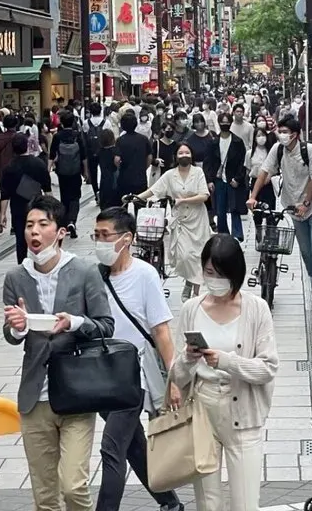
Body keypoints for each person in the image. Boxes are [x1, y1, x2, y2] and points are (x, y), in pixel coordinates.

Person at [2, 195, 114, 511]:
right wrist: (20, 327)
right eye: (28, 225)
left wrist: (73, 322)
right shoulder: (15, 277)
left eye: (43, 224)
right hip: (35, 396)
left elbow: (105, 325)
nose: (34, 232)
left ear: (60, 231)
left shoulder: (84, 272)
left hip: (76, 392)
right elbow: (11, 335)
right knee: (45, 495)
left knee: (74, 487)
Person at [171, 235, 278, 511]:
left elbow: (267, 368)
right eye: (208, 272)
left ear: (235, 273)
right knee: (208, 503)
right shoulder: (191, 309)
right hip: (202, 411)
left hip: (243, 413)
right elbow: (176, 375)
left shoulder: (256, 309)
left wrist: (227, 362)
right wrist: (187, 359)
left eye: (221, 274)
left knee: (245, 503)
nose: (214, 279)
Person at [92, 206, 183, 511]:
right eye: (96, 236)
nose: (99, 242)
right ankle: (170, 503)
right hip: (102, 377)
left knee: (112, 447)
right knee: (133, 445)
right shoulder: (94, 276)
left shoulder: (144, 274)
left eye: (105, 235)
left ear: (127, 238)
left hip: (133, 378)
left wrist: (175, 380)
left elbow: (161, 331)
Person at [247, 113, 312, 305]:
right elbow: (264, 172)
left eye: (285, 132)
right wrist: (252, 196)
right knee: (306, 251)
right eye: (279, 131)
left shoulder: (310, 150)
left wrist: (306, 204)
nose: (281, 135)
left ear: (295, 134)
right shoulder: (277, 150)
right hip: (292, 206)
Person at [143, 142, 212, 300]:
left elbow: (204, 195)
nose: (184, 156)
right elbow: (154, 190)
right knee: (183, 256)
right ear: (176, 156)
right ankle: (189, 281)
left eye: (187, 153)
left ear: (192, 155)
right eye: (181, 153)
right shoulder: (169, 175)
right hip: (180, 221)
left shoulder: (198, 172)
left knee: (197, 256)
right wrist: (135, 197)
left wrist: (184, 200)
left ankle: (195, 292)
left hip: (197, 220)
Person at [0, 133, 52, 263]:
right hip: (37, 207)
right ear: (27, 145)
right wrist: (52, 209)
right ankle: (40, 261)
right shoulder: (38, 164)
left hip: (18, 209)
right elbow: (48, 190)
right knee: (39, 235)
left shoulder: (8, 168)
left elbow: (5, 195)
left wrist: (2, 215)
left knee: (20, 240)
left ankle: (22, 264)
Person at [203, 112, 247, 241]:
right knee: (220, 209)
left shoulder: (237, 141)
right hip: (218, 180)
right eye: (222, 122)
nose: (225, 124)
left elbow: (242, 162)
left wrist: (238, 179)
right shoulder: (213, 142)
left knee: (235, 208)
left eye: (227, 122)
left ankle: (237, 234)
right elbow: (208, 162)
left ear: (231, 123)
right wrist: (209, 180)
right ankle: (223, 235)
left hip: (233, 179)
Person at [50, 110, 87, 237]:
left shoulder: (57, 136)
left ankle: (65, 223)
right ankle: (72, 221)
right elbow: (84, 156)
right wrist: (86, 172)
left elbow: (51, 155)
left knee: (64, 197)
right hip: (75, 171)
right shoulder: (77, 135)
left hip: (62, 171)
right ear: (73, 122)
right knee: (75, 197)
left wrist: (47, 171)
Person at [116, 110, 152, 198]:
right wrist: (144, 167)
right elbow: (150, 157)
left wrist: (120, 168)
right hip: (140, 177)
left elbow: (117, 159)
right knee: (140, 203)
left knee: (124, 203)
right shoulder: (144, 139)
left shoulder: (120, 140)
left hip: (124, 178)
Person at [248, 121, 277, 211]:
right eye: (258, 135)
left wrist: (269, 176)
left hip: (268, 183)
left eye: (263, 135)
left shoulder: (271, 152)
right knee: (257, 211)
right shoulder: (249, 153)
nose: (261, 138)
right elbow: (248, 169)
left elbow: (275, 167)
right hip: (255, 182)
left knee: (270, 210)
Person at [84, 102, 106, 200]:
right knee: (104, 172)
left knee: (93, 173)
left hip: (90, 151)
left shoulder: (86, 123)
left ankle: (96, 192)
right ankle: (102, 192)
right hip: (103, 151)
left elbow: (84, 137)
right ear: (100, 111)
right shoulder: (106, 122)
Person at [97, 128, 121, 210]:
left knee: (105, 205)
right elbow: (117, 162)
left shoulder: (100, 151)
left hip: (104, 180)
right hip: (114, 180)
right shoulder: (116, 150)